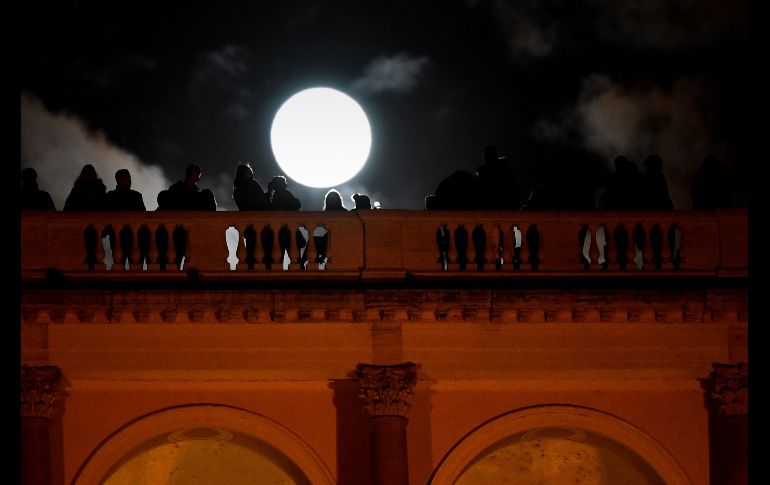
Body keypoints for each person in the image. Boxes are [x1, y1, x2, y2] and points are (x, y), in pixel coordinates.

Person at [476, 144, 520, 210]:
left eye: (486, 154)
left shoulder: (484, 171)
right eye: (484, 154)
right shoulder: (506, 171)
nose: (484, 156)